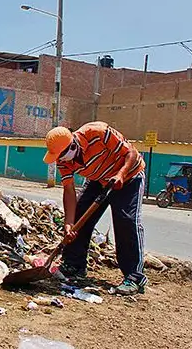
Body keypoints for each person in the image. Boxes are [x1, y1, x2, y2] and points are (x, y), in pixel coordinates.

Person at [43, 121, 148, 296]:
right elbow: (69, 191)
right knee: (79, 217)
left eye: (61, 155)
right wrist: (69, 224)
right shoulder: (64, 161)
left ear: (72, 146)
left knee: (126, 220)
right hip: (100, 179)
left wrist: (120, 174)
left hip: (129, 175)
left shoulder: (97, 132)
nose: (60, 160)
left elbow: (131, 153)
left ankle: (134, 277)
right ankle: (74, 265)